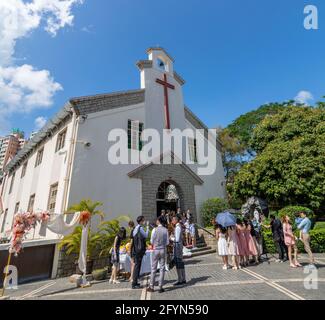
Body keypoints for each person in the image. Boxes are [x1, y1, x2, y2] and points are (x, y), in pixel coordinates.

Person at [147, 216, 169, 293]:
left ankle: (151, 286)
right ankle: (160, 286)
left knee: (153, 268)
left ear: (159, 221)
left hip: (156, 250)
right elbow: (167, 242)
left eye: (157, 220)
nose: (156, 221)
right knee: (162, 268)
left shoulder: (154, 229)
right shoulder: (166, 230)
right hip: (163, 249)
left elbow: (151, 241)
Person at [132, 216, 149, 289]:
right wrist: (147, 227)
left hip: (136, 250)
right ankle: (134, 284)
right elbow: (146, 235)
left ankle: (135, 282)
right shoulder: (140, 228)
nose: (144, 221)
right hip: (139, 250)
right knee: (137, 266)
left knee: (137, 266)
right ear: (141, 221)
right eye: (144, 220)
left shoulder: (135, 228)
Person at [171, 215, 186, 285]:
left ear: (176, 220)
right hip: (179, 246)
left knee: (178, 262)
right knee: (181, 262)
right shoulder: (178, 226)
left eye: (173, 220)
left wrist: (171, 238)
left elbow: (176, 239)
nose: (172, 221)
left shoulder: (177, 227)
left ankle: (180, 279)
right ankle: (183, 278)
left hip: (177, 247)